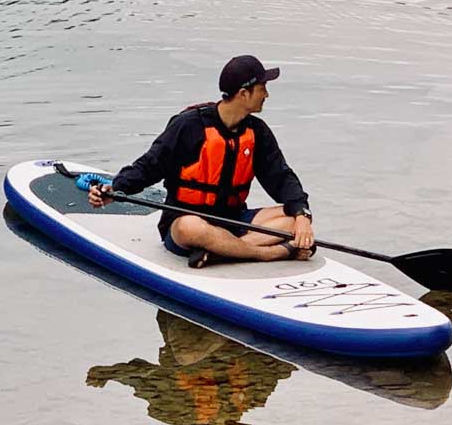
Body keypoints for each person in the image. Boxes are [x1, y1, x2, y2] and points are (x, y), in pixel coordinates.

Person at [88, 55, 315, 268]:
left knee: (291, 219)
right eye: (262, 88)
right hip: (186, 222)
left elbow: (281, 177)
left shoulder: (258, 132)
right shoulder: (189, 126)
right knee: (191, 228)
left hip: (235, 220)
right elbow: (150, 166)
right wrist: (116, 188)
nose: (266, 94)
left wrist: (302, 215)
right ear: (244, 94)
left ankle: (222, 252)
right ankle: (268, 252)